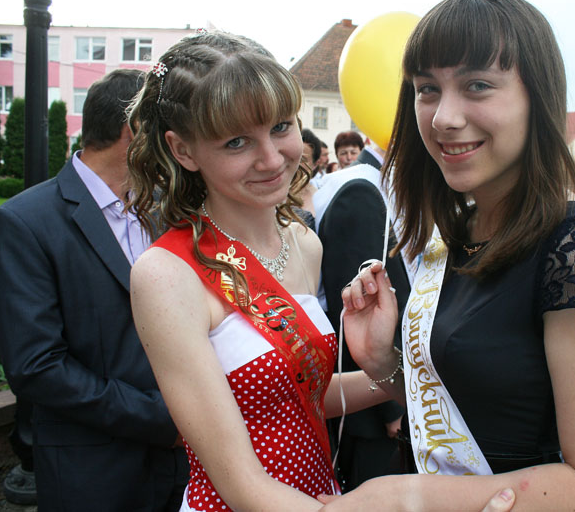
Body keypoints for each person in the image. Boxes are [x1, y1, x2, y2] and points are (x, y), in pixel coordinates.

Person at [324, 0, 575, 510]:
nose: (443, 117)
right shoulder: (451, 235)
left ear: (537, 97)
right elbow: (464, 409)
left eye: (477, 85)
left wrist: (407, 497)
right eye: (427, 89)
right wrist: (384, 361)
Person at [126, 30, 401, 511]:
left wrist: (388, 366)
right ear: (183, 150)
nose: (272, 159)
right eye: (237, 142)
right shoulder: (167, 275)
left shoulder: (305, 244)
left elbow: (301, 397)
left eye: (280, 126)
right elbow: (242, 485)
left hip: (320, 496)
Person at [0, 69, 189, 510]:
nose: (181, 144)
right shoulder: (24, 222)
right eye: (171, 129)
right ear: (136, 128)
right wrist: (162, 421)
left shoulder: (166, 211)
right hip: (95, 473)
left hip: (185, 467)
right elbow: (37, 366)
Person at [313, 141, 410, 491]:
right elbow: (357, 308)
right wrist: (393, 409)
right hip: (374, 412)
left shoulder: (387, 187)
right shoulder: (361, 192)